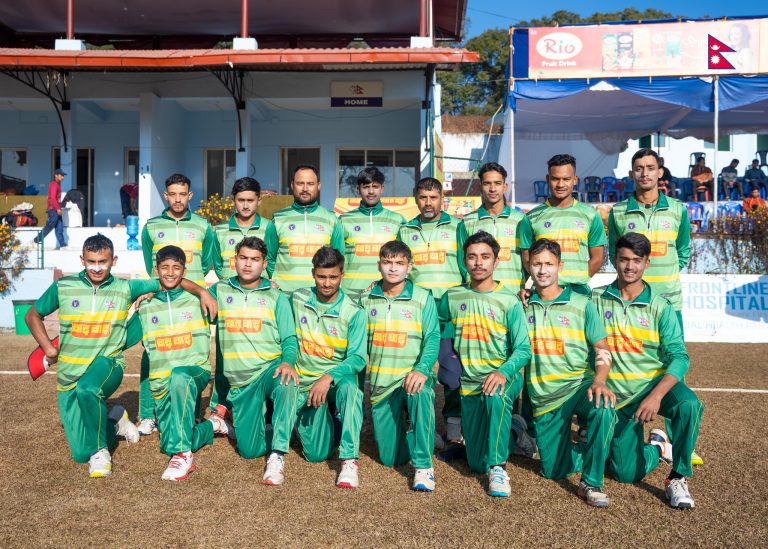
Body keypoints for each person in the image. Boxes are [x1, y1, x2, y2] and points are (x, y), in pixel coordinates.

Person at [24, 234, 214, 478]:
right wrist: (49, 350)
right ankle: (115, 422)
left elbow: (169, 280)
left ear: (113, 261)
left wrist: (201, 291)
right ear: (82, 260)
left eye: (102, 261)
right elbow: (32, 315)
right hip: (69, 374)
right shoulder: (63, 286)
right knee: (81, 453)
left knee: (88, 389)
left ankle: (101, 453)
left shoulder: (126, 288)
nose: (97, 267)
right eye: (91, 261)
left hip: (108, 362)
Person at [594, 232, 703, 509]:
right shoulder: (595, 299)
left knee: (689, 405)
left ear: (647, 263)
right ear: (614, 260)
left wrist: (656, 396)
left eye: (637, 260)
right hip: (618, 396)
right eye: (624, 259)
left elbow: (680, 357)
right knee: (624, 473)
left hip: (653, 386)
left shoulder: (660, 306)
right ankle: (657, 447)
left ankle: (678, 476)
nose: (629, 266)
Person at [609, 148, 702, 467]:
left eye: (650, 167)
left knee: (674, 367)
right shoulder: (619, 211)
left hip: (668, 304)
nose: (645, 173)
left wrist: (664, 283)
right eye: (639, 168)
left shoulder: (676, 209)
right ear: (631, 174)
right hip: (631, 305)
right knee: (630, 363)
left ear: (660, 172)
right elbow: (615, 252)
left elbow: (684, 250)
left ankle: (679, 442)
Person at [438, 231, 532, 497]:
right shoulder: (452, 296)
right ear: (464, 261)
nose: (478, 262)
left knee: (495, 396)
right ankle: (514, 430)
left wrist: (503, 372)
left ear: (496, 261)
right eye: (472, 257)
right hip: (469, 382)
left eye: (485, 257)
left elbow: (523, 349)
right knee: (475, 463)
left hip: (502, 376)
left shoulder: (509, 300)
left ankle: (498, 468)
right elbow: (441, 331)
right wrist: (447, 361)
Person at [525, 238, 617, 508]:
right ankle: (596, 450)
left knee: (603, 406)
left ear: (560, 266)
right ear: (529, 266)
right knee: (553, 470)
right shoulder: (521, 305)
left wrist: (599, 380)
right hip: (546, 399)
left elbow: (602, 349)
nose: (543, 270)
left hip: (579, 386)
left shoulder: (582, 304)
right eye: (537, 264)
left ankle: (592, 482)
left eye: (549, 264)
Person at [128, 245, 228, 481]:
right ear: (156, 270)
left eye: (176, 268)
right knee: (168, 442)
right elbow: (123, 337)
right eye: (164, 267)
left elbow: (234, 292)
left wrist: (202, 291)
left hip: (194, 372)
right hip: (162, 385)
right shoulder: (146, 305)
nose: (170, 272)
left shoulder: (199, 299)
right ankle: (212, 425)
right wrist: (140, 299)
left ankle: (183, 455)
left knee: (180, 376)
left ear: (184, 271)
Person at [207, 236, 300, 486]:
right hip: (241, 384)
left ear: (264, 264)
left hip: (270, 369)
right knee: (249, 451)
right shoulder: (220, 290)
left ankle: (278, 454)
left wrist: (288, 362)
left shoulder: (276, 296)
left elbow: (290, 339)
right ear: (234, 260)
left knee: (287, 383)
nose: (248, 264)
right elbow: (191, 301)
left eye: (255, 259)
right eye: (243, 258)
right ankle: (275, 428)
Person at [137, 173, 216, 435]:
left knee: (194, 353)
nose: (178, 199)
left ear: (190, 195)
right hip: (161, 299)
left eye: (183, 194)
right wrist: (153, 289)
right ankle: (147, 415)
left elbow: (206, 262)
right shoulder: (151, 226)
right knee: (152, 351)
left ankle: (193, 413)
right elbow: (150, 264)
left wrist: (199, 290)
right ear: (165, 195)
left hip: (192, 302)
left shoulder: (203, 226)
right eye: (173, 194)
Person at [359, 240, 440, 491]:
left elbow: (432, 337)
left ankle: (424, 467)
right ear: (379, 265)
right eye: (387, 262)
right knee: (390, 458)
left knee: (420, 393)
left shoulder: (423, 297)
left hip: (412, 376)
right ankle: (414, 430)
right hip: (382, 384)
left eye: (399, 263)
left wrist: (422, 369)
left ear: (409, 267)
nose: (393, 268)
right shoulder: (366, 298)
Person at [290, 246, 367, 488]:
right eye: (321, 276)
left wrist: (328, 377)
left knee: (351, 389)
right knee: (315, 455)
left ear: (342, 275)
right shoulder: (297, 299)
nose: (327, 283)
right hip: (305, 380)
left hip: (335, 380)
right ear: (313, 274)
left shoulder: (354, 311)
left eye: (333, 277)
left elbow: (357, 358)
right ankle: (328, 418)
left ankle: (349, 460)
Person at [397, 177, 465, 446]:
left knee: (451, 368)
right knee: (412, 365)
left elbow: (465, 267)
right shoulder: (405, 230)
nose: (428, 203)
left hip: (450, 310)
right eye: (423, 197)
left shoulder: (457, 226)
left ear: (441, 199)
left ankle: (453, 422)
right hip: (417, 310)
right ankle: (411, 420)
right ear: (416, 198)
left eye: (433, 197)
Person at [519, 154, 606, 298]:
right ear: (548, 179)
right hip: (543, 294)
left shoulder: (591, 215)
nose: (560, 185)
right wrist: (544, 282)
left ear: (575, 180)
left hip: (579, 294)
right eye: (555, 179)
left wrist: (579, 279)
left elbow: (597, 258)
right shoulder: (531, 218)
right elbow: (527, 259)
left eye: (566, 179)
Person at [265, 164, 344, 294]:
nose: (305, 189)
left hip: (318, 297)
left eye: (310, 184)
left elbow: (339, 259)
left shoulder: (332, 220)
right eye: (300, 183)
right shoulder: (277, 219)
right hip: (284, 295)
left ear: (319, 185)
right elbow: (269, 257)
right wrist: (278, 282)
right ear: (292, 185)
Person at [458, 162, 526, 292]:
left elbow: (528, 260)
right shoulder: (467, 222)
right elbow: (462, 263)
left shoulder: (521, 220)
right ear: (480, 187)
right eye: (487, 183)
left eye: (497, 183)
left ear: (505, 187)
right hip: (478, 294)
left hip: (513, 293)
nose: (493, 189)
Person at [338, 167, 406, 297]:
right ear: (358, 189)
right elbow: (337, 258)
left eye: (375, 186)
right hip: (351, 293)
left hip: (384, 293)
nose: (371, 191)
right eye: (366, 187)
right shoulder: (343, 220)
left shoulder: (397, 220)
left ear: (382, 188)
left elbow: (404, 259)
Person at [34, 168, 67, 249]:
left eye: (63, 176)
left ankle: (62, 245)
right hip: (53, 210)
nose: (63, 177)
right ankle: (36, 240)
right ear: (56, 175)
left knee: (59, 228)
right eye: (61, 175)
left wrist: (59, 208)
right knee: (49, 226)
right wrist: (58, 209)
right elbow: (52, 198)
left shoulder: (57, 185)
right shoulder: (54, 184)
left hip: (57, 209)